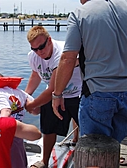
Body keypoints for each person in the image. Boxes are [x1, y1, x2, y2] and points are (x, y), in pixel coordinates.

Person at [52, 0, 127, 145]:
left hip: (98, 92)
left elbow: (68, 58)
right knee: (114, 147)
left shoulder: (80, 13)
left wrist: (57, 94)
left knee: (94, 153)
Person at [24, 26, 82, 168]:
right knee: (48, 128)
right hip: (54, 96)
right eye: (34, 49)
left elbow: (54, 88)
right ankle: (44, 161)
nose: (39, 52)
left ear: (49, 40)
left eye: (41, 47)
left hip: (77, 93)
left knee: (85, 126)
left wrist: (32, 105)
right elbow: (36, 75)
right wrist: (25, 97)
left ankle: (78, 143)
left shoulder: (61, 52)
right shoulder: (34, 56)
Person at [0, 71, 40, 168]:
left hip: (2, 137)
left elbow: (5, 111)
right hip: (18, 134)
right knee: (19, 162)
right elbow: (36, 110)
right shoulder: (20, 92)